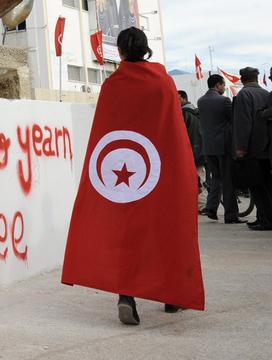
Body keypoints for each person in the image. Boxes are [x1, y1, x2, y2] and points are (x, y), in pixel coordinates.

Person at [61, 27, 205, 326]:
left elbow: (106, 132)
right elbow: (174, 132)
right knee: (167, 230)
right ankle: (172, 296)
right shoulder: (164, 82)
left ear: (122, 52)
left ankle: (126, 296)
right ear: (146, 49)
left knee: (127, 235)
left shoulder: (113, 85)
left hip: (122, 178)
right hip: (162, 173)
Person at [197, 75, 244, 223]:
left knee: (216, 178)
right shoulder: (224, 101)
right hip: (223, 146)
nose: (224, 88)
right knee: (227, 180)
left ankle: (211, 208)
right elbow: (234, 120)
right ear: (218, 85)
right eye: (223, 85)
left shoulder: (201, 101)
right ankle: (231, 215)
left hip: (208, 147)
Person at [233, 67, 272, 231]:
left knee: (257, 186)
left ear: (242, 79)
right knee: (267, 185)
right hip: (266, 146)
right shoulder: (265, 93)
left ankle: (265, 219)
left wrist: (240, 148)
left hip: (252, 147)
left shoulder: (243, 95)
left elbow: (243, 123)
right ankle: (262, 217)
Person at [178, 90, 206, 213]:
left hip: (192, 150)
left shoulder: (185, 114)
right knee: (199, 177)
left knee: (198, 178)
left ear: (184, 98)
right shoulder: (195, 111)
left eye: (178, 98)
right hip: (199, 149)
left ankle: (201, 205)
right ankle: (200, 205)